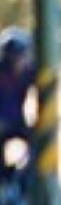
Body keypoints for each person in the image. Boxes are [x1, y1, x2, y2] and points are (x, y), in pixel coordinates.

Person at [0, 28, 35, 177]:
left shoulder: (28, 72)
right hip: (3, 122)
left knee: (37, 146)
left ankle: (23, 179)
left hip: (17, 121)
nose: (16, 58)